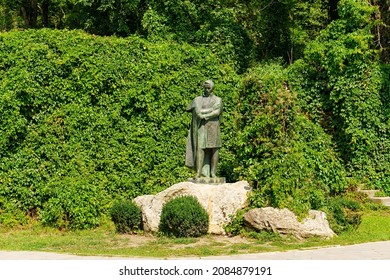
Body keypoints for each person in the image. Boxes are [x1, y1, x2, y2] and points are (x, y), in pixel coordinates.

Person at [185, 80, 222, 178]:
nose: (206, 90)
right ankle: (198, 172)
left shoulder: (218, 100)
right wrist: (208, 110)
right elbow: (191, 109)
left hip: (213, 127)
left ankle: (213, 173)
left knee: (215, 149)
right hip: (201, 127)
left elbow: (217, 112)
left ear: (212, 88)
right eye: (205, 88)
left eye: (208, 88)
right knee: (200, 148)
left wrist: (204, 114)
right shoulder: (198, 99)